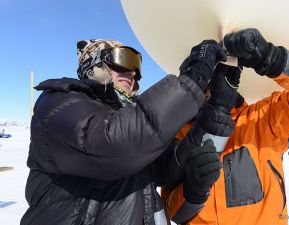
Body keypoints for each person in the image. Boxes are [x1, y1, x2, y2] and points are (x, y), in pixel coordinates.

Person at [20, 39, 227, 225]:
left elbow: (164, 166)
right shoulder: (59, 103)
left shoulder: (131, 122)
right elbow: (114, 144)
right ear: (93, 64)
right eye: (123, 60)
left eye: (136, 66)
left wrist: (216, 110)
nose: (133, 73)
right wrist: (191, 81)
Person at [161, 28, 289, 225]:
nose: (205, 86)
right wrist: (192, 193)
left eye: (213, 74)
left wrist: (270, 58)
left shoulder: (263, 118)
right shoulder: (178, 134)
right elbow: (171, 213)